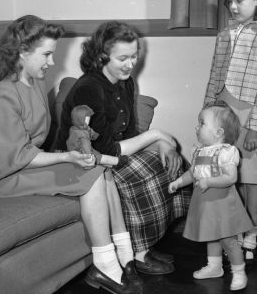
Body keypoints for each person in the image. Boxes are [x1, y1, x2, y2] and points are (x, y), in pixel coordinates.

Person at [0, 15, 142, 294]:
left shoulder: (34, 80)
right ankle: (106, 265)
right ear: (23, 51)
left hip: (22, 162)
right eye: (47, 54)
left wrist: (69, 155)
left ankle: (126, 255)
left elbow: (37, 141)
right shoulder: (4, 95)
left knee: (102, 170)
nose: (51, 62)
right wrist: (67, 157)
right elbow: (16, 156)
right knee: (93, 172)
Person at [55, 20, 191, 275]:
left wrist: (162, 144)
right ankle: (138, 253)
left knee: (169, 162)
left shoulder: (125, 82)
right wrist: (158, 134)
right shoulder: (89, 88)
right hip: (81, 159)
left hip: (107, 154)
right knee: (140, 173)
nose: (131, 64)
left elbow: (129, 134)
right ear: (102, 56)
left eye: (135, 56)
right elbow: (106, 148)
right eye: (123, 58)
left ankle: (146, 244)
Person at [203, 0, 257, 265]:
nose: (233, 7)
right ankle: (231, 231)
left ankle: (251, 232)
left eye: (239, 0)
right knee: (224, 175)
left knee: (252, 180)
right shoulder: (225, 34)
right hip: (224, 113)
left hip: (251, 116)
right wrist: (207, 114)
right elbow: (214, 77)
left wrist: (255, 128)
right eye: (229, 1)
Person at [168, 102, 253, 291]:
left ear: (218, 132)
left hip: (222, 202)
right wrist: (179, 182)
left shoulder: (225, 153)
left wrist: (209, 182)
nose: (196, 127)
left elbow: (231, 177)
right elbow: (193, 173)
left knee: (227, 239)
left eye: (202, 123)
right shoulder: (199, 151)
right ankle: (214, 267)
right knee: (211, 236)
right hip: (205, 202)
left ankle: (239, 272)